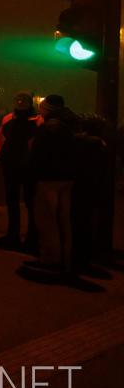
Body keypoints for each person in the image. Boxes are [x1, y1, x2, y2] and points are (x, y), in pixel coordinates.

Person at [26, 95, 78, 275]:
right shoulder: (70, 124)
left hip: (48, 179)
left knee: (47, 220)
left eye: (41, 107)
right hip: (67, 179)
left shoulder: (48, 127)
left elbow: (36, 155)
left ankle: (50, 260)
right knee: (64, 222)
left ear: (47, 109)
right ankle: (66, 259)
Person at [0, 92, 40, 251]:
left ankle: (31, 237)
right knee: (13, 201)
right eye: (17, 99)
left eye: (23, 100)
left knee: (30, 202)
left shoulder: (37, 120)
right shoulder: (8, 118)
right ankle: (13, 235)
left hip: (28, 166)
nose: (19, 102)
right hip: (11, 164)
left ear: (29, 103)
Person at [72, 116, 110, 273]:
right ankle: (85, 258)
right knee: (87, 223)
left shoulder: (81, 142)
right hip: (93, 187)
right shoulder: (100, 144)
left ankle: (78, 259)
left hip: (80, 187)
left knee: (79, 224)